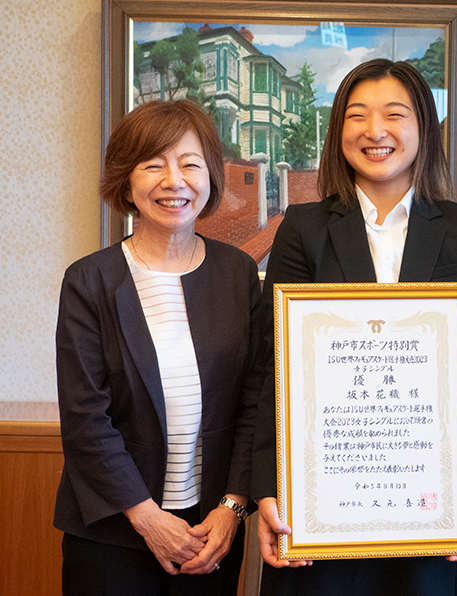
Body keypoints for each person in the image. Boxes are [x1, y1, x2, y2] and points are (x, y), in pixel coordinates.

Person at [250, 59, 457, 596]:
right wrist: (268, 486)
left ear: (423, 129)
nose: (375, 131)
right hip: (320, 501)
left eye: (395, 114)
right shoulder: (303, 228)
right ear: (338, 129)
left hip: (426, 500)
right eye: (357, 115)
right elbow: (276, 367)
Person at [54, 99, 266, 595]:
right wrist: (148, 519)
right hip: (111, 534)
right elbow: (86, 417)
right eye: (153, 164)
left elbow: (255, 399)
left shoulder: (237, 273)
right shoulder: (90, 280)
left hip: (210, 534)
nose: (175, 181)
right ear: (127, 182)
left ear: (211, 176)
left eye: (190, 164)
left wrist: (232, 509)